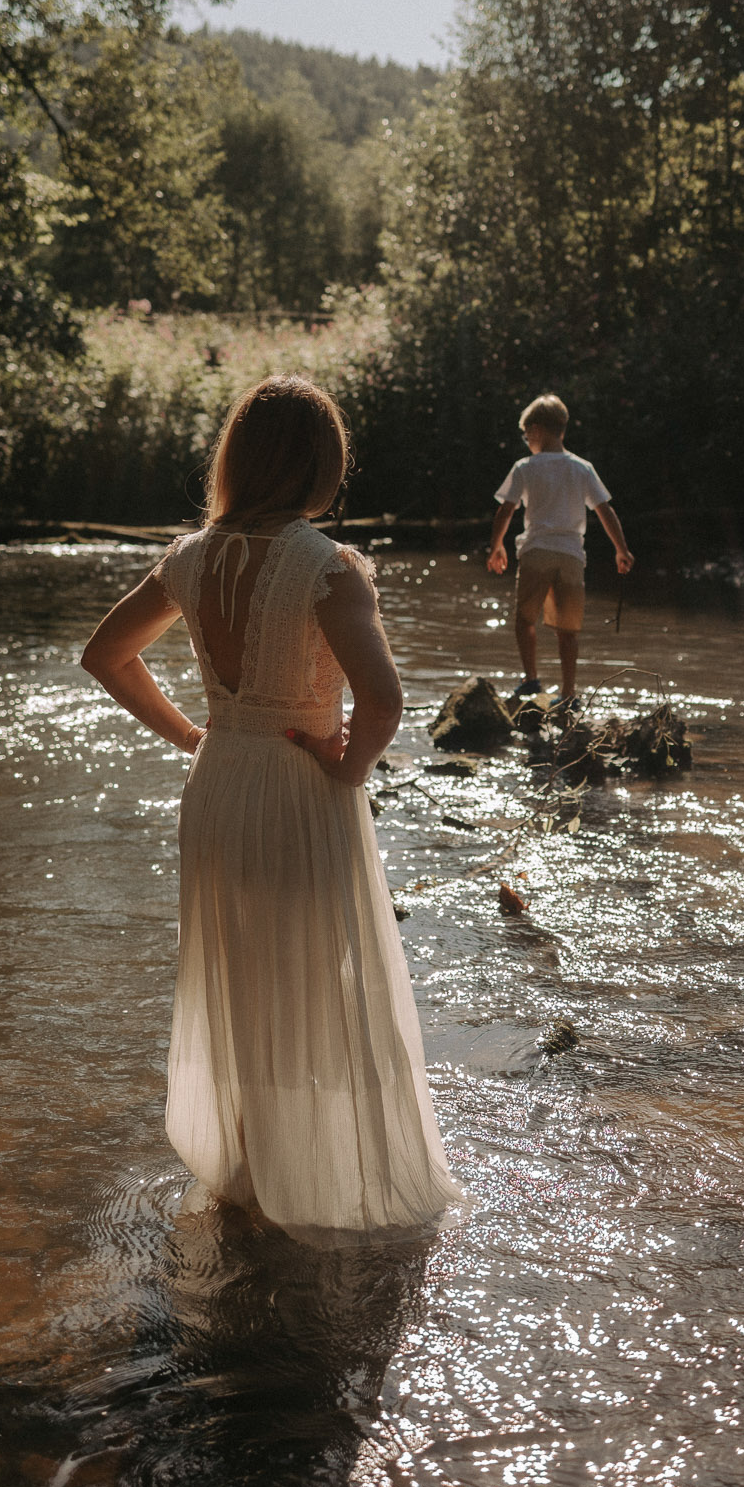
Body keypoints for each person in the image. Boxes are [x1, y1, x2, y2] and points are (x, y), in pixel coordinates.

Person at [80, 374, 466, 1238]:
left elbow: (104, 656)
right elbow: (384, 700)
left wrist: (193, 737)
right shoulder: (328, 568)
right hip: (297, 785)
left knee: (238, 971)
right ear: (321, 466)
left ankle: (249, 1174)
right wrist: (346, 767)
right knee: (315, 976)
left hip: (220, 781)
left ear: (239, 460)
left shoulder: (188, 557)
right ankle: (314, 1174)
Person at [487, 393, 634, 708]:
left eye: (527, 434)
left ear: (538, 429)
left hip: (537, 551)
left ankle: (531, 681)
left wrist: (496, 545)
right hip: (570, 555)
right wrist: (621, 549)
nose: (527, 440)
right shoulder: (582, 468)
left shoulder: (525, 467)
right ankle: (568, 693)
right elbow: (605, 511)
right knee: (568, 630)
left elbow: (506, 510)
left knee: (525, 620)